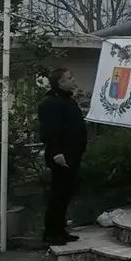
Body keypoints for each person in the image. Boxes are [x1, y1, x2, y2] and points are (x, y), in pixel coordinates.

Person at [38, 68, 87, 246]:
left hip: (73, 153)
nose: (73, 79)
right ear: (60, 82)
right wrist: (57, 152)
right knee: (58, 194)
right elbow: (50, 130)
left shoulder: (68, 101)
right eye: (69, 77)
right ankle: (51, 232)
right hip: (61, 155)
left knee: (66, 193)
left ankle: (60, 229)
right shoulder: (50, 102)